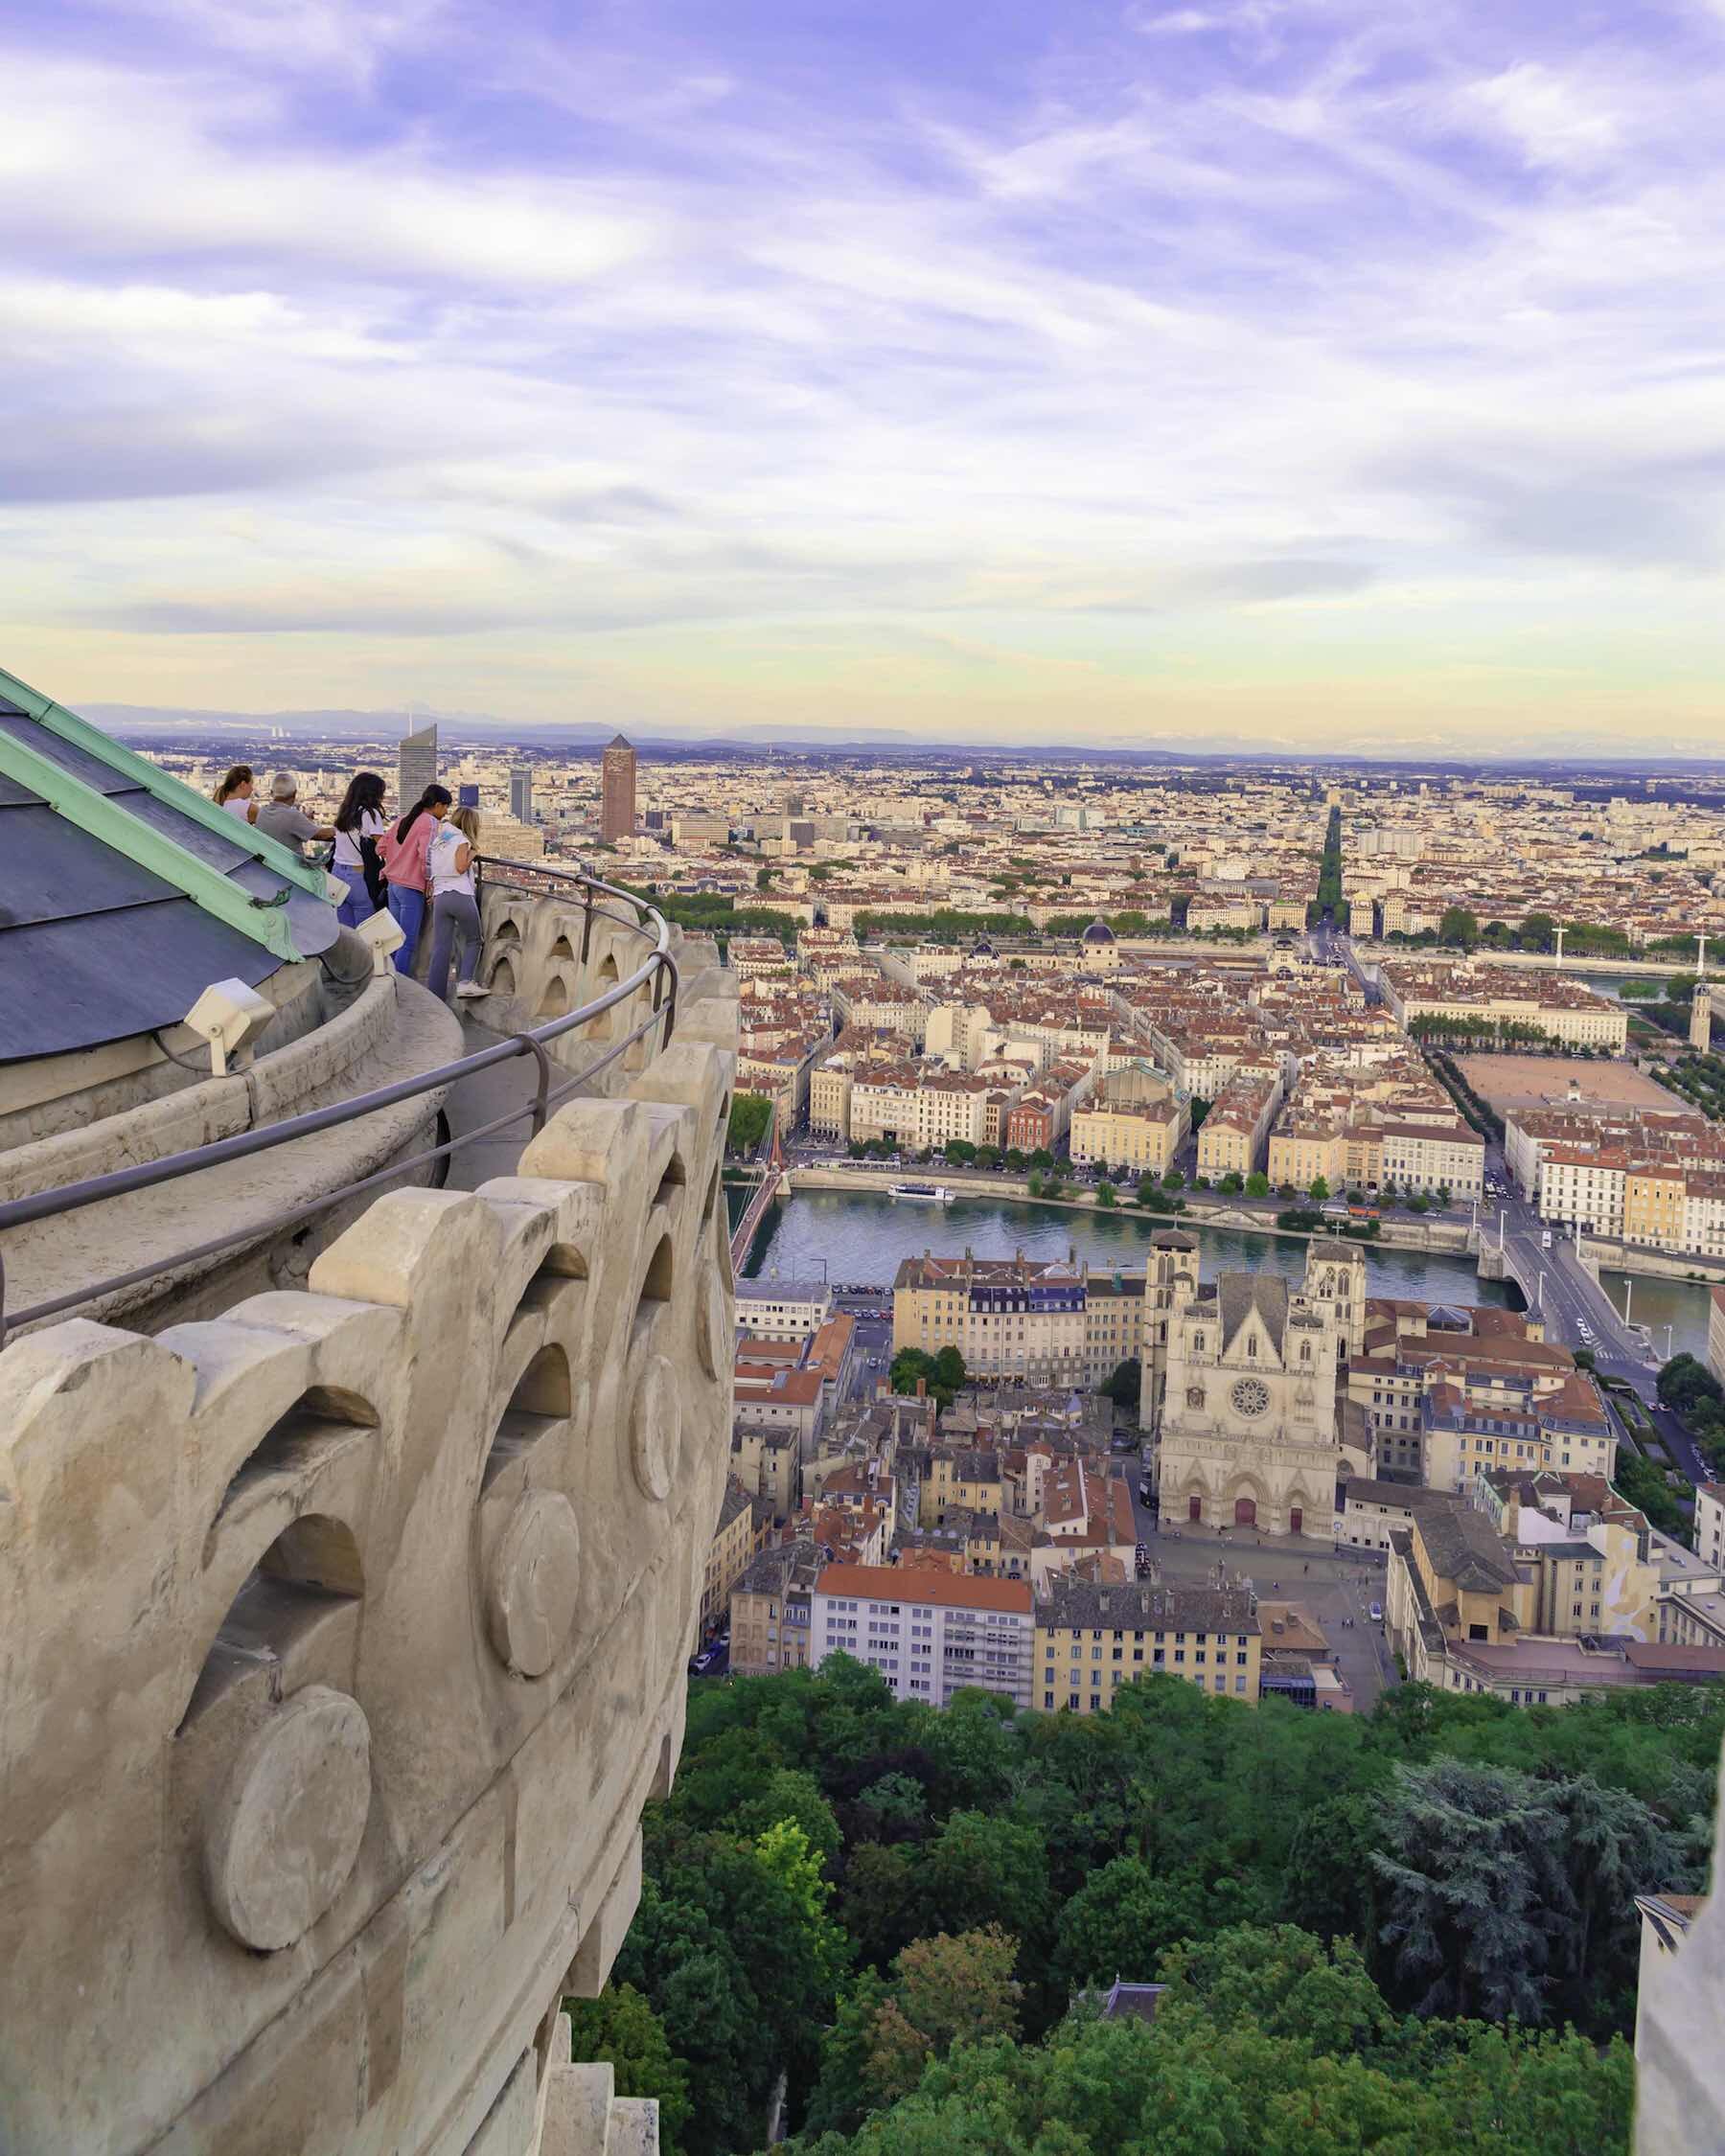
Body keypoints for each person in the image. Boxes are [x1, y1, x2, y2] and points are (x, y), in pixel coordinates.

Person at [378, 784, 450, 975]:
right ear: (436, 805)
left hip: (393, 885)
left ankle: (385, 977)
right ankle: (398, 981)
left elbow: (381, 847)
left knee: (394, 938)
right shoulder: (429, 822)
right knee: (407, 942)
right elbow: (426, 855)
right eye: (445, 807)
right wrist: (429, 883)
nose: (446, 812)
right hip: (411, 887)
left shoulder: (404, 819)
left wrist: (399, 858)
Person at [426, 806, 488, 1001]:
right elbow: (460, 866)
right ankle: (465, 983)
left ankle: (435, 995)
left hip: (441, 896)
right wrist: (473, 852)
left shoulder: (440, 840)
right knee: (474, 939)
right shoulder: (461, 839)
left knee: (441, 946)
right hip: (459, 894)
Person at [330, 770, 387, 929]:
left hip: (337, 874)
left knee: (345, 933)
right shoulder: (370, 814)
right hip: (358, 876)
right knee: (365, 933)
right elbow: (382, 847)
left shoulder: (345, 812)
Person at [254, 771, 336, 852]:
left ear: (271, 793)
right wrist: (339, 829)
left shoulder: (262, 812)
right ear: (294, 794)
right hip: (288, 864)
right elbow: (321, 835)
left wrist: (305, 820)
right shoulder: (293, 816)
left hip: (267, 861)